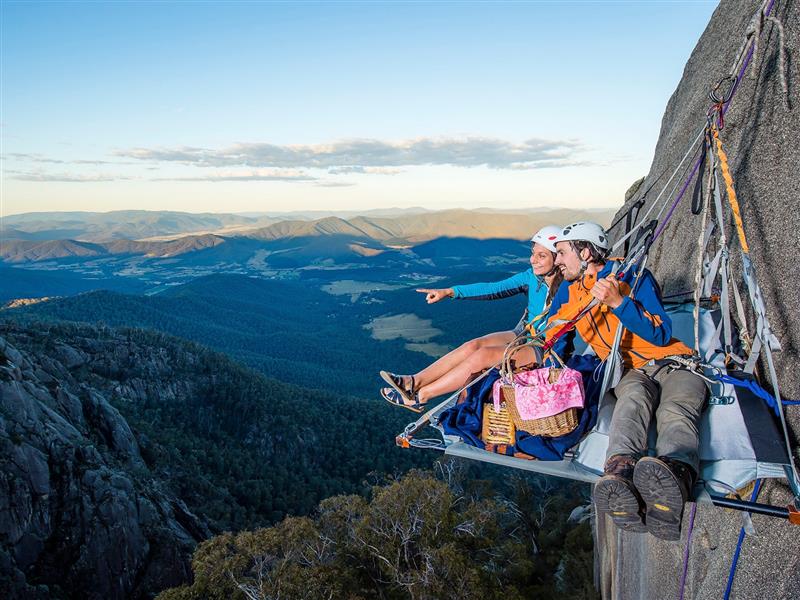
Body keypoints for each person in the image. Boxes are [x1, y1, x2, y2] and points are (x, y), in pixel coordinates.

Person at [544, 221, 707, 541]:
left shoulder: (632, 276)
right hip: (631, 371)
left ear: (585, 251)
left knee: (676, 408)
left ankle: (675, 473)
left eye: (562, 253)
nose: (558, 261)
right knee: (630, 404)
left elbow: (659, 334)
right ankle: (620, 471)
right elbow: (556, 333)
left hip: (675, 361)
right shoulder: (570, 290)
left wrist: (620, 303)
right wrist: (549, 360)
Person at [380, 225, 563, 413]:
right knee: (473, 346)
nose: (533, 260)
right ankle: (413, 382)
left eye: (542, 256)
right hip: (526, 333)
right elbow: (493, 288)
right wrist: (450, 292)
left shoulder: (568, 287)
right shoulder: (531, 277)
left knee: (482, 356)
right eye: (533, 254)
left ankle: (421, 397)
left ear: (558, 258)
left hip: (545, 347)